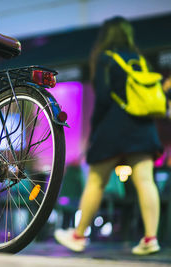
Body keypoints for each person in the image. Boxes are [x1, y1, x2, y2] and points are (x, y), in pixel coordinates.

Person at [54, 16, 162, 255]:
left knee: (96, 181)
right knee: (145, 181)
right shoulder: (140, 61)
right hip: (143, 125)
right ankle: (150, 238)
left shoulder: (106, 59)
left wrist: (94, 131)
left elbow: (102, 99)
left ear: (107, 36)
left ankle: (78, 235)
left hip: (114, 125)